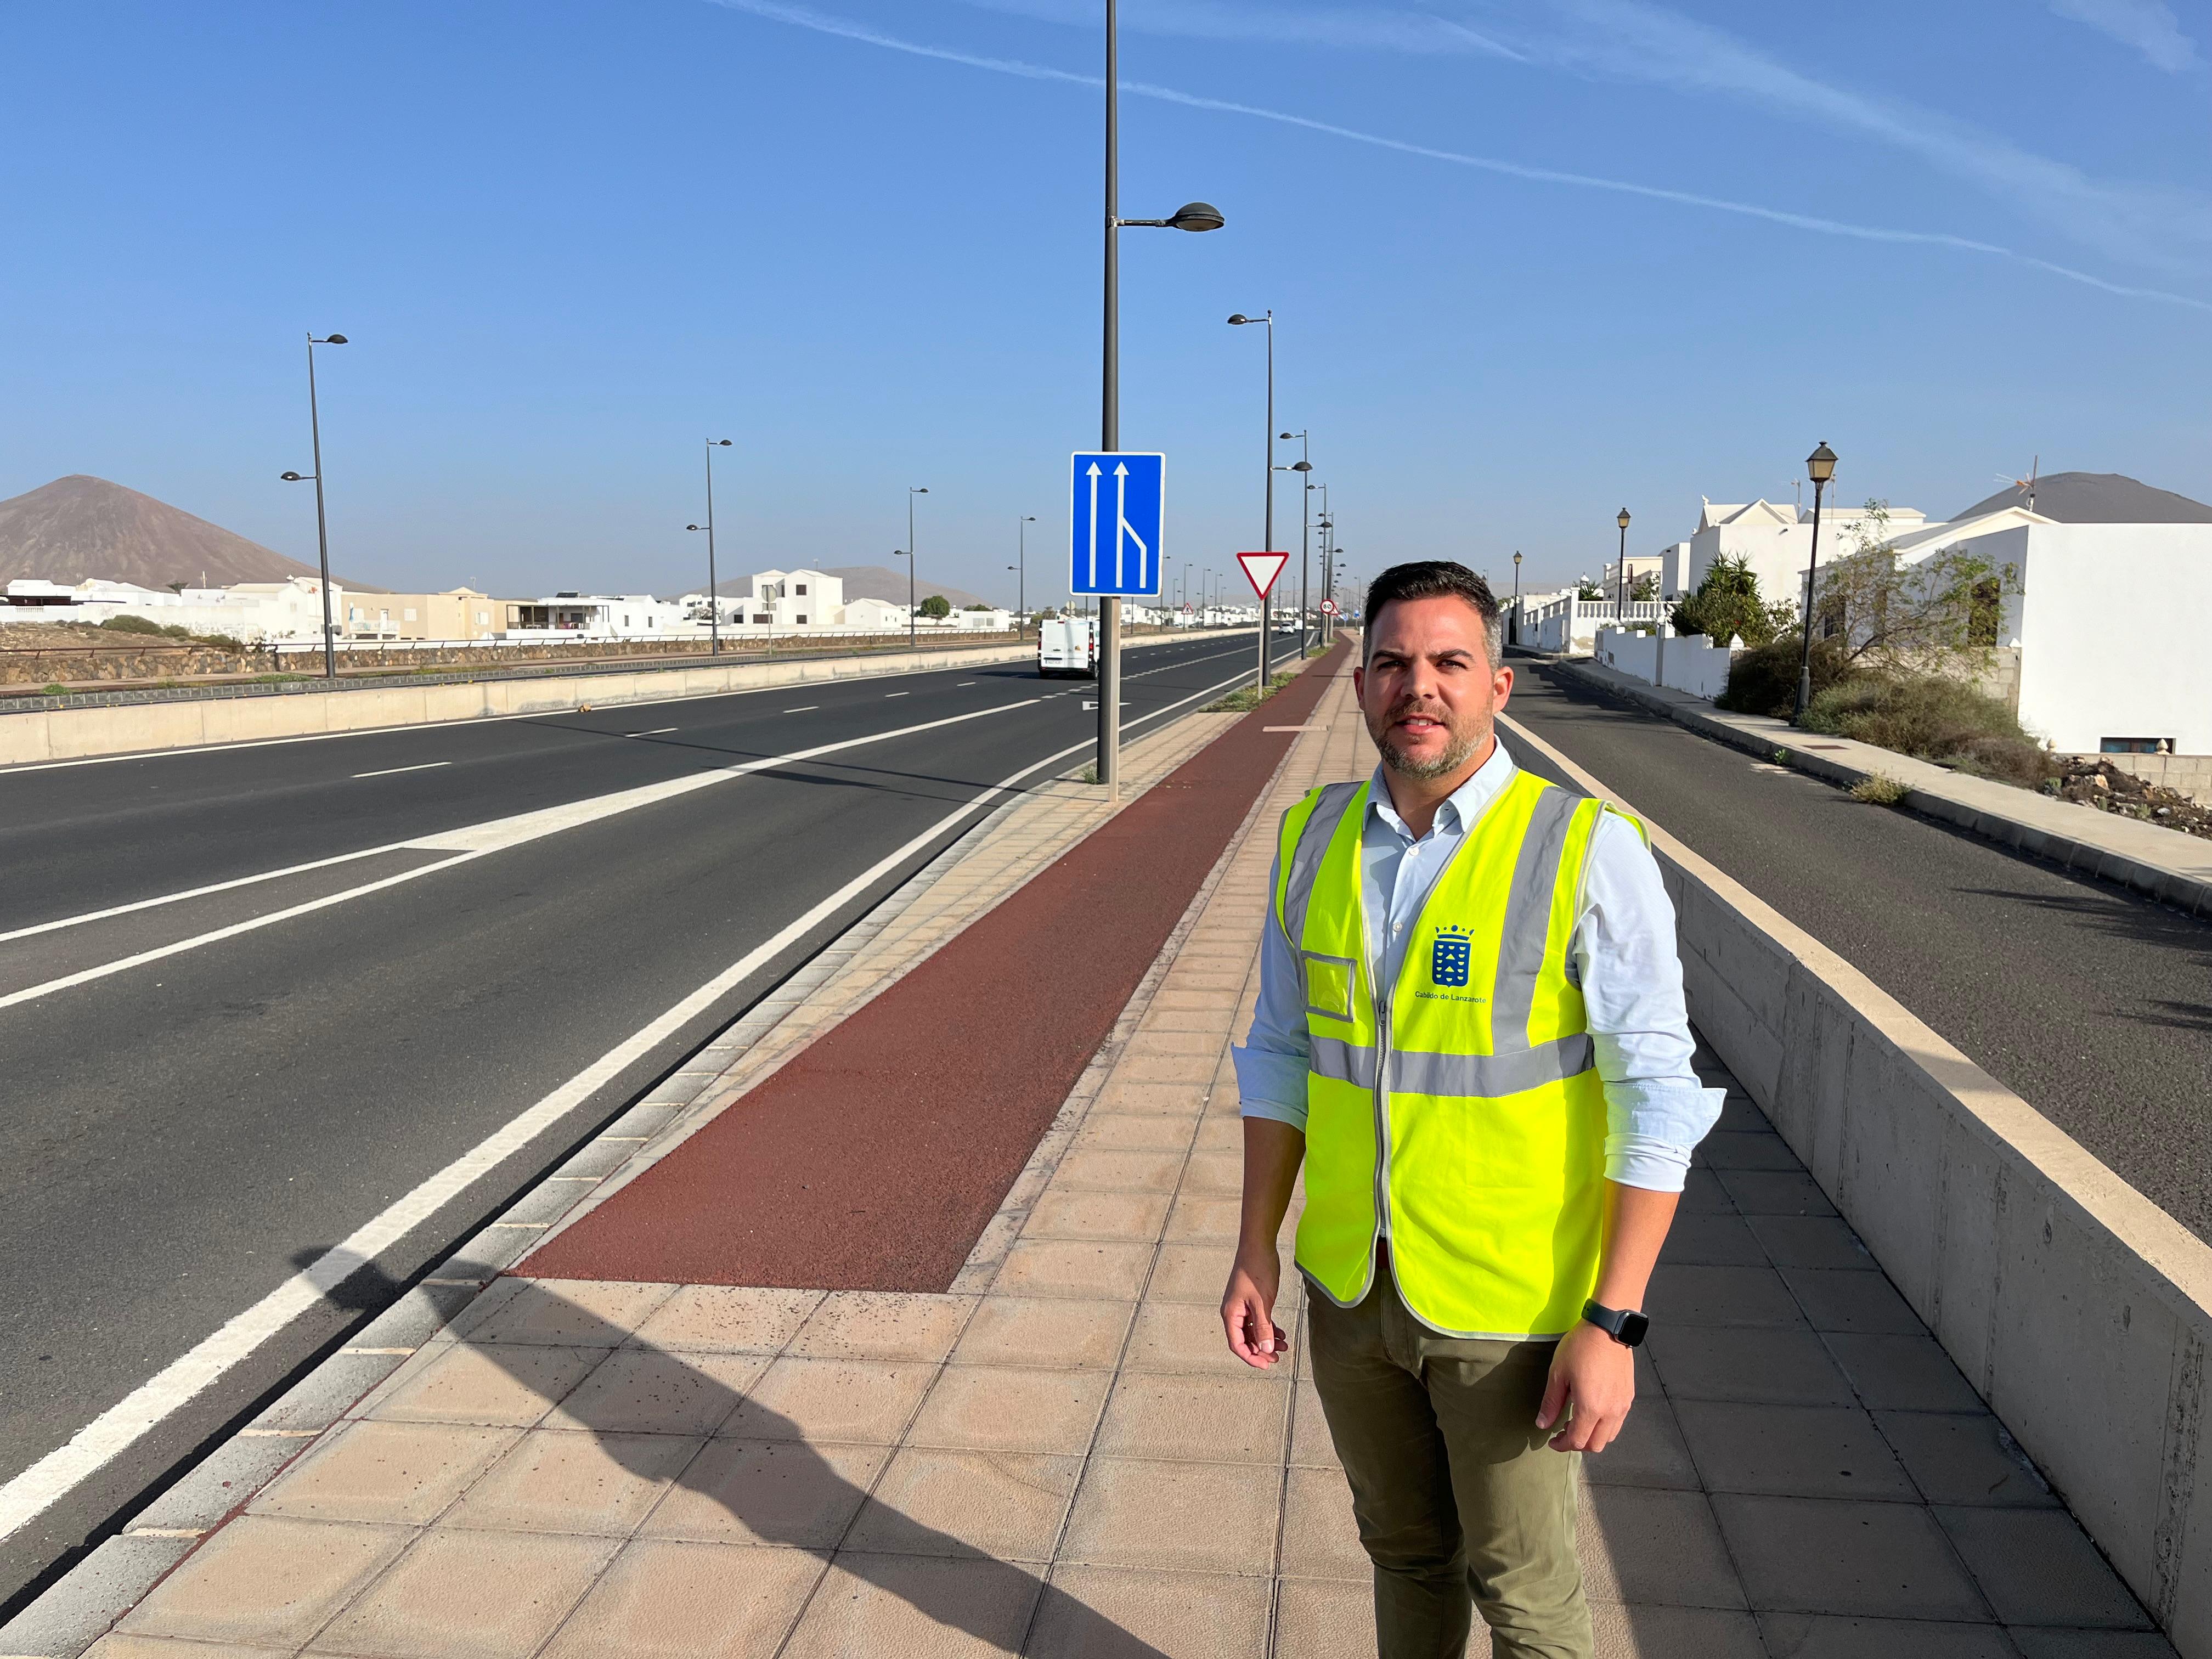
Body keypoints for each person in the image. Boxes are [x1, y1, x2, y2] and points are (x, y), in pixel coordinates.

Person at [1221, 560, 1722, 1659]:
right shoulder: (1314, 839)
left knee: (1526, 1594)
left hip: (1510, 1308)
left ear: (1501, 685)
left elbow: (1658, 1101)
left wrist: (1614, 1321)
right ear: (1360, 686)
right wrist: (1257, 1248)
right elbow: (1280, 1057)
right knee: (1403, 1554)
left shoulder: (1587, 848)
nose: (1420, 686)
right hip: (1354, 1288)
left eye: (1451, 662)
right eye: (1394, 662)